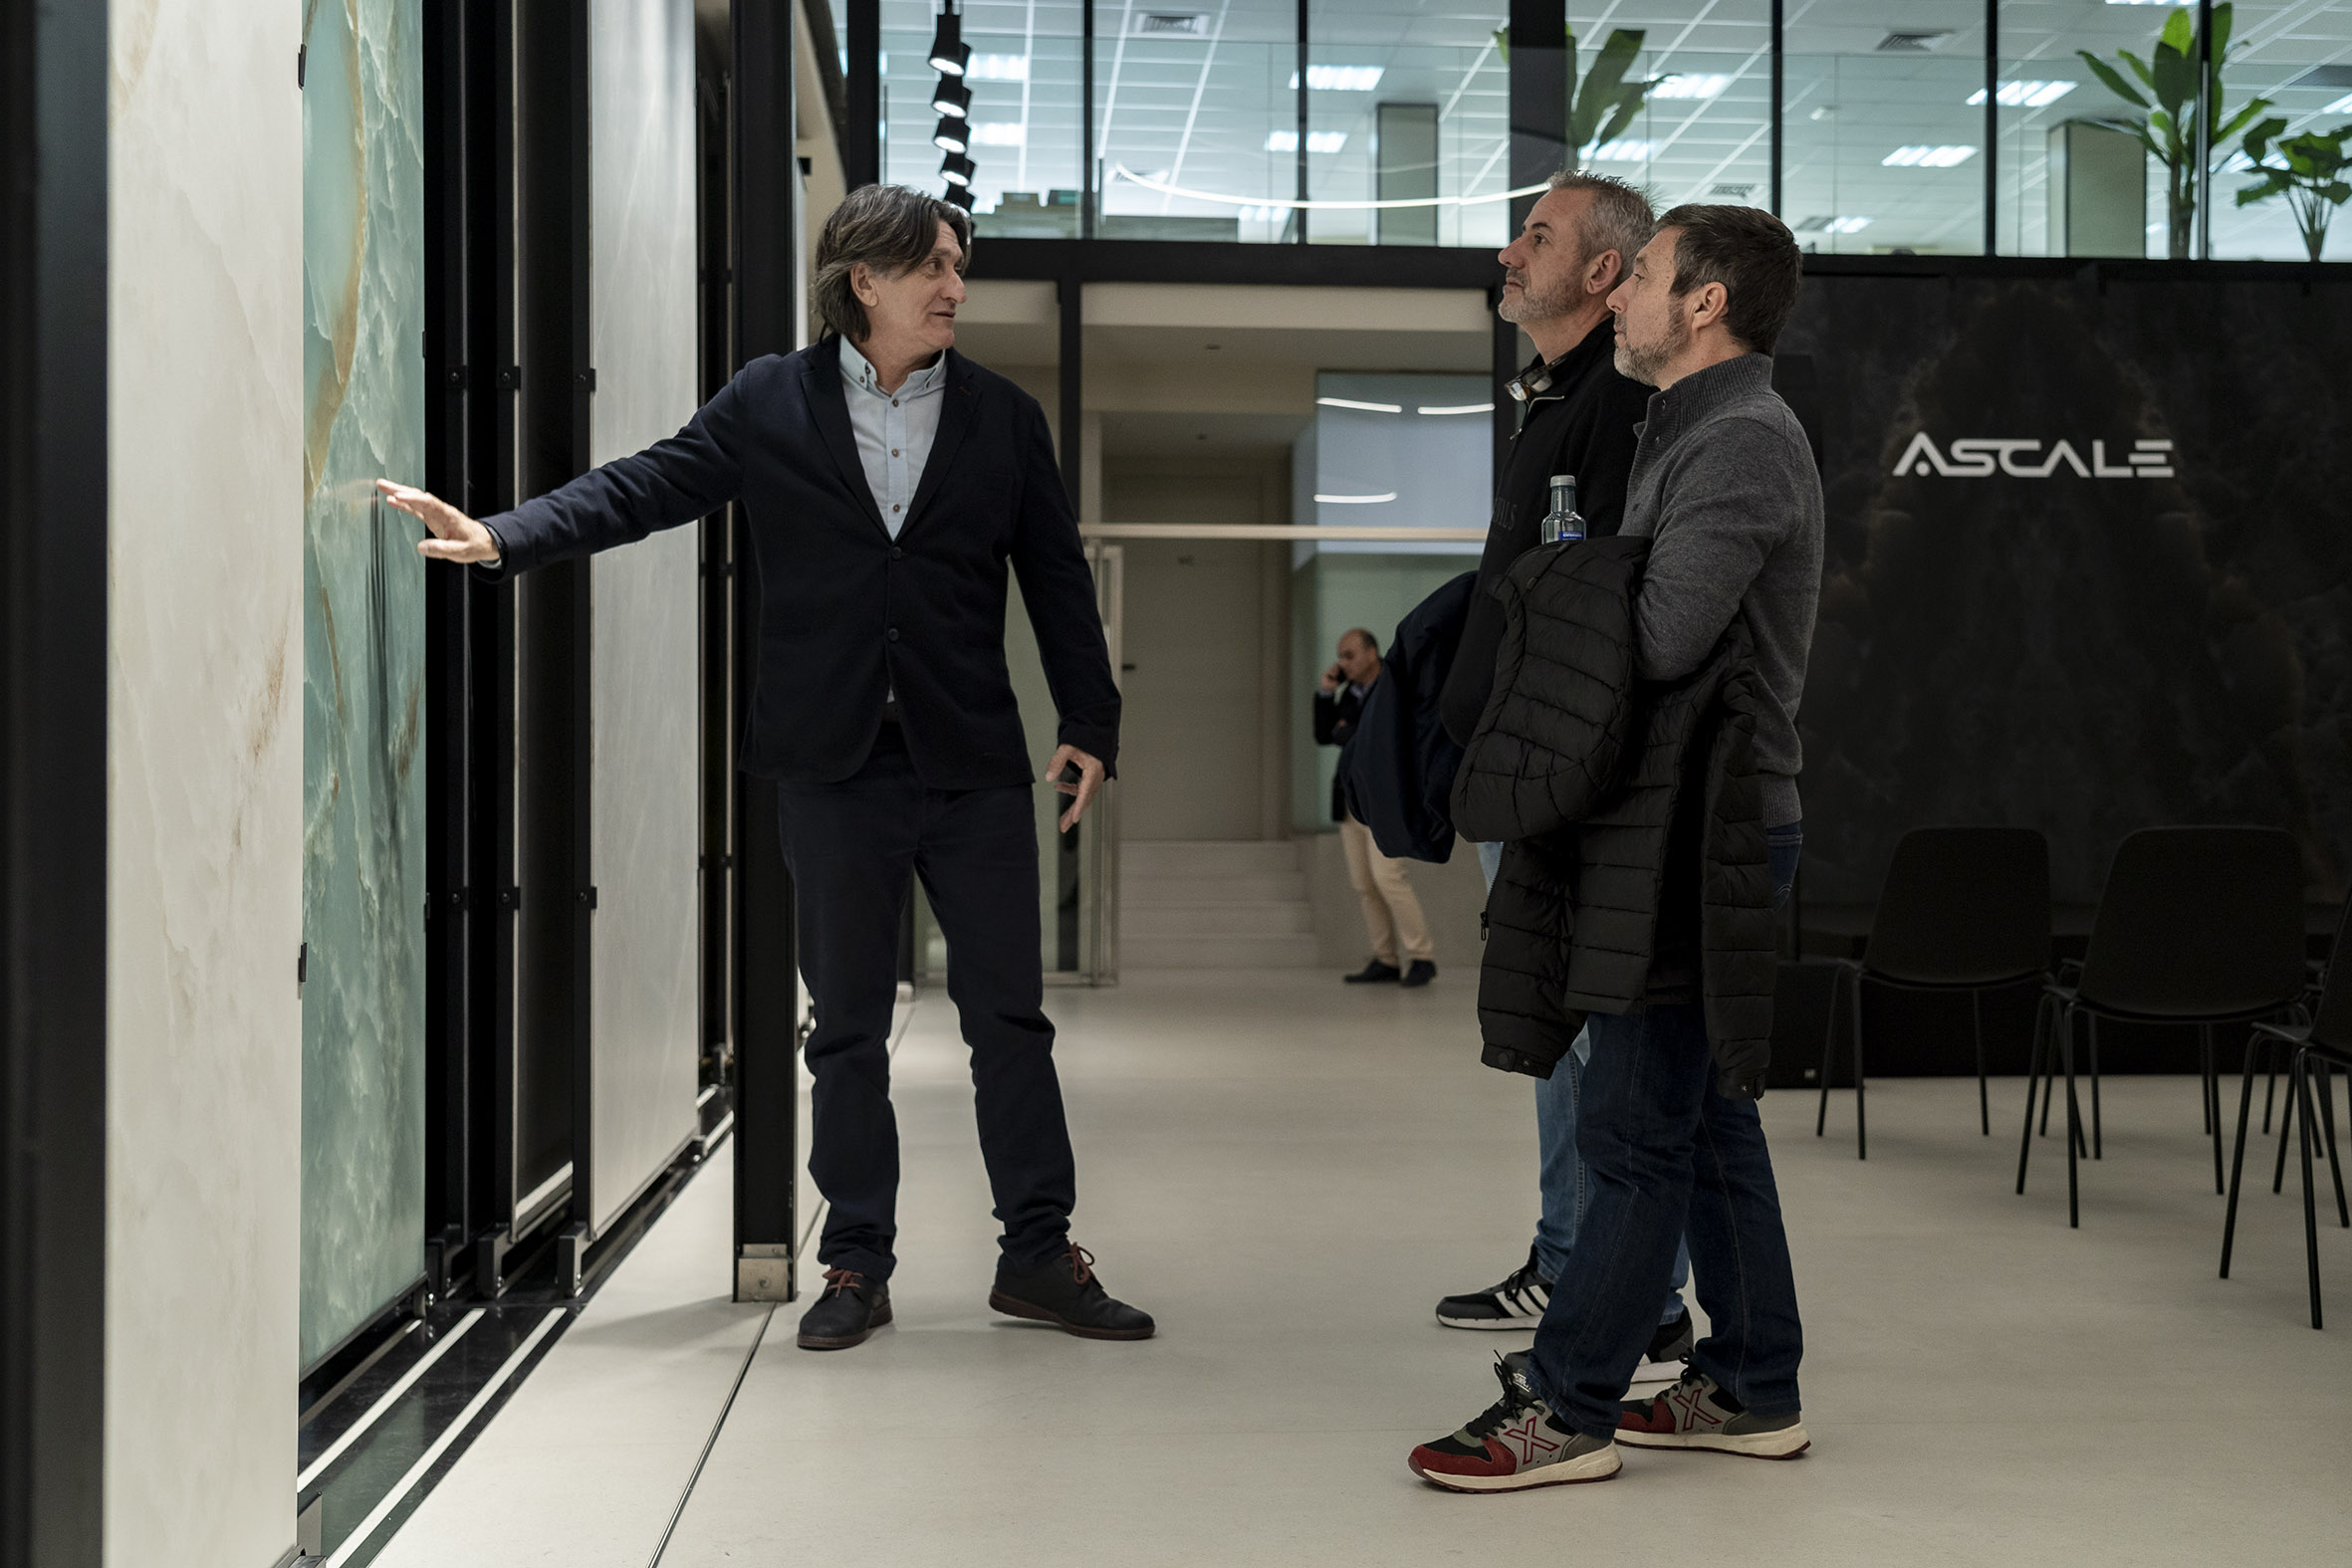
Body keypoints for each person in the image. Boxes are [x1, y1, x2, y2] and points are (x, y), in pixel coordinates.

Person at [375, 184, 1153, 1354]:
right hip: (830, 767)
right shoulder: (767, 401)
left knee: (1010, 1022)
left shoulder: (1002, 416)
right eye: (933, 267)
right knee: (843, 1027)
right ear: (864, 283)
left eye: (957, 266)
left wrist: (1089, 719)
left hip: (972, 767)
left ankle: (1037, 1254)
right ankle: (855, 1262)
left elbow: (1053, 579)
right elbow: (644, 484)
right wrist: (506, 535)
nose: (954, 287)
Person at [1409, 203, 1823, 1491]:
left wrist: (1552, 577)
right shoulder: (1678, 430)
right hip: (1679, 824)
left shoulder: (1743, 440)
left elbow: (1656, 635)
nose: (1624, 294)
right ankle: (1753, 1381)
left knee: (1635, 1127)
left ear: (1702, 302)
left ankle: (1570, 1405)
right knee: (1700, 1126)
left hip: (1709, 834)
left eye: (1640, 275)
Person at [1429, 172, 1694, 1361]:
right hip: (1528, 770)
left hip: (1571, 779)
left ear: (1600, 273)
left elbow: (1603, 616)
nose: (1509, 249)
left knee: (1600, 1048)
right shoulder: (1554, 400)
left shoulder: (1620, 408)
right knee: (1556, 1035)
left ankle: (1633, 1293)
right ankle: (1570, 1260)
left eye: (1537, 235)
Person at [1316, 628, 1436, 989]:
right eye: (1340, 655)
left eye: (1350, 655)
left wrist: (1346, 729)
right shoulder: (1350, 692)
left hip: (1385, 799)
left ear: (1372, 653)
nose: (1343, 662)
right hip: (1351, 799)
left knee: (1389, 877)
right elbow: (1325, 734)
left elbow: (1377, 738)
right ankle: (1385, 958)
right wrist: (1326, 692)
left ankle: (1422, 956)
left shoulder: (1394, 687)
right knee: (1364, 883)